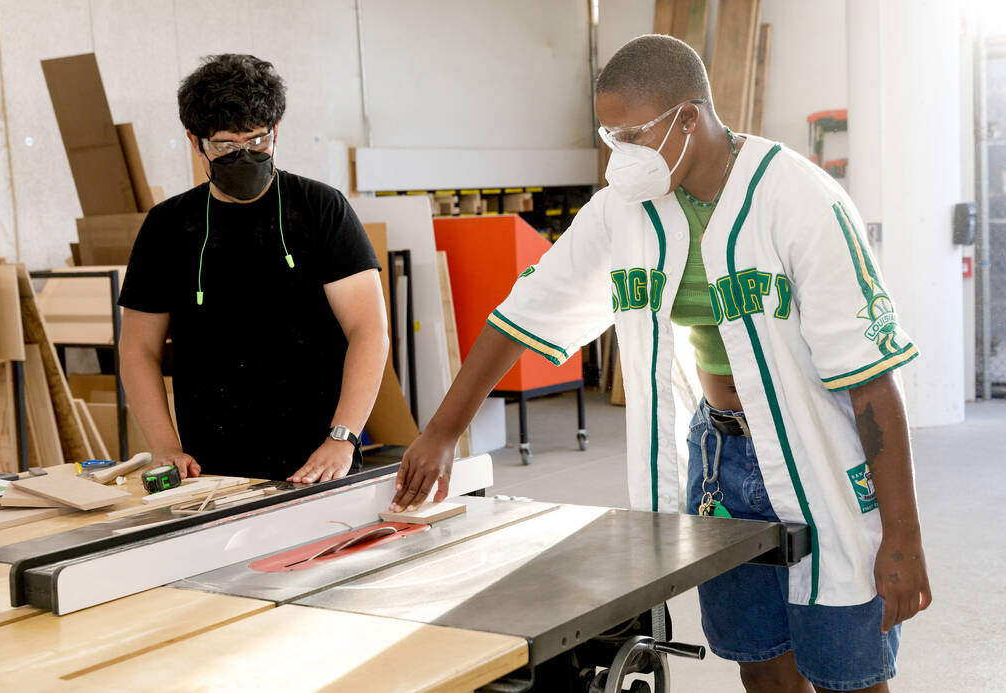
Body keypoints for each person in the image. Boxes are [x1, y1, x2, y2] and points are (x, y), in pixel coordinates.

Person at [391, 35, 930, 692]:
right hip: (720, 458)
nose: (620, 156)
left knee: (848, 666)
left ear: (688, 117)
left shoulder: (800, 199)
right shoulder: (628, 209)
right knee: (758, 660)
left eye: (631, 135)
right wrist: (444, 430)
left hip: (817, 453)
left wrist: (903, 536)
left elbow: (872, 379)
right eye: (609, 136)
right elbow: (526, 309)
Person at [118, 54, 388, 485]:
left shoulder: (321, 209)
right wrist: (165, 446)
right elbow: (138, 350)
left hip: (318, 460)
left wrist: (343, 437)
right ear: (195, 140)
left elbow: (369, 331)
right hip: (210, 470)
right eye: (226, 147)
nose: (244, 156)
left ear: (276, 131)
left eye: (257, 141)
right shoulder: (168, 227)